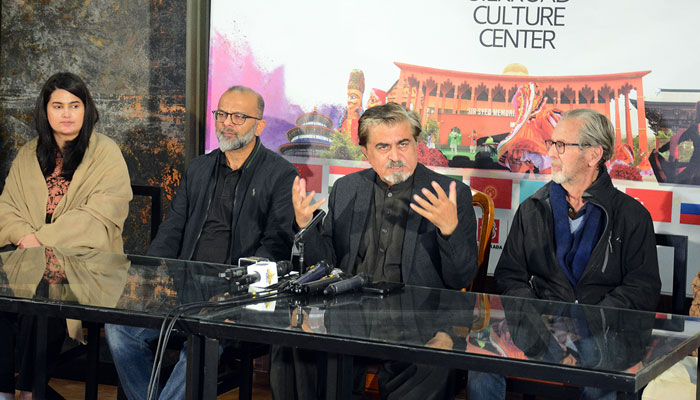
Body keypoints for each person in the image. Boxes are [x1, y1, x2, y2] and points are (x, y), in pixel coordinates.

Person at [104, 86, 298, 400]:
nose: (227, 123)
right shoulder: (200, 168)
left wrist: (235, 288)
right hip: (184, 287)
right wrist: (149, 276)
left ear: (259, 125)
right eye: (221, 114)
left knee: (199, 343)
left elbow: (276, 245)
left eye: (238, 116)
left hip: (235, 296)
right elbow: (171, 230)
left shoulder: (280, 174)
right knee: (119, 328)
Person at [275, 102, 478, 399]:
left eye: (403, 144)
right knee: (290, 345)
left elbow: (461, 276)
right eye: (383, 147)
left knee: (434, 363)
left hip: (417, 320)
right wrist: (306, 226)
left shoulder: (447, 192)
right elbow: (326, 261)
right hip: (347, 315)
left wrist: (449, 231)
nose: (396, 156)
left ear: (416, 144)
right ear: (366, 153)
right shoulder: (347, 188)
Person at [468, 108, 661, 400]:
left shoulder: (632, 215)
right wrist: (537, 321)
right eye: (551, 144)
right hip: (541, 323)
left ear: (594, 155)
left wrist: (585, 322)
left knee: (600, 378)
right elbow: (509, 277)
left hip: (604, 329)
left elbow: (642, 288)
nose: (552, 153)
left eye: (561, 145)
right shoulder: (533, 208)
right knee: (482, 363)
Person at [0, 72, 132, 400]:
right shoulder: (29, 152)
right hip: (24, 257)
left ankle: (29, 391)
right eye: (57, 106)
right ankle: (3, 390)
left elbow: (98, 218)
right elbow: (6, 207)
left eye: (74, 105)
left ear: (86, 109)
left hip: (83, 263)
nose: (67, 113)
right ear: (45, 111)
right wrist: (23, 238)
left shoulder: (106, 152)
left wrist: (40, 239)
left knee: (45, 291)